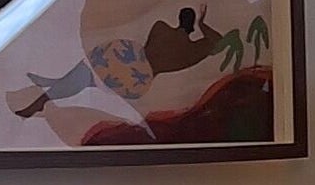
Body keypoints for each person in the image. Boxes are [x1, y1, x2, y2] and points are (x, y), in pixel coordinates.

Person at [14, 6, 226, 118]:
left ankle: (44, 98)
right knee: (85, 75)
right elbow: (217, 42)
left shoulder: (164, 29)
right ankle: (50, 90)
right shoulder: (192, 49)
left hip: (134, 70)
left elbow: (219, 42)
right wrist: (202, 24)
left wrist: (201, 22)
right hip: (139, 77)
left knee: (85, 74)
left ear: (180, 19)